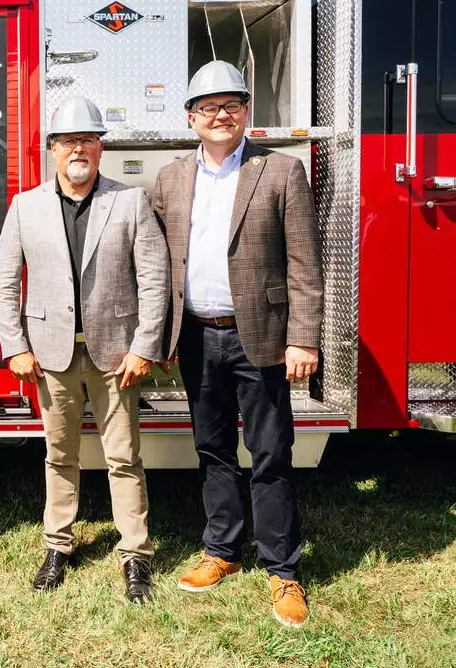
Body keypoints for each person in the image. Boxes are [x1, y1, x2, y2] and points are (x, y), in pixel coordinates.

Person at [150, 60, 323, 629]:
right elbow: (159, 263)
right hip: (197, 335)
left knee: (271, 454)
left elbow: (305, 262)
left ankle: (283, 569)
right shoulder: (171, 178)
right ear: (191, 118)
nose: (220, 115)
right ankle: (222, 550)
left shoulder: (281, 171)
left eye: (231, 105)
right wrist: (161, 333)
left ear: (247, 111)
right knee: (213, 450)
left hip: (262, 338)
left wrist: (302, 338)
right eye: (208, 107)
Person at [0, 95, 169, 604]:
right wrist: (15, 346)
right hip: (51, 357)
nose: (78, 149)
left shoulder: (129, 201)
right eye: (69, 141)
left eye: (88, 140)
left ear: (101, 148)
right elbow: (4, 280)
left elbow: (155, 278)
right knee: (59, 456)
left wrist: (144, 347)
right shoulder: (25, 207)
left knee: (124, 457)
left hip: (117, 357)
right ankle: (57, 547)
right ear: (52, 149)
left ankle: (135, 555)